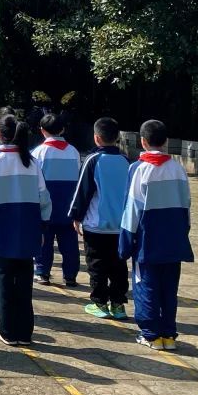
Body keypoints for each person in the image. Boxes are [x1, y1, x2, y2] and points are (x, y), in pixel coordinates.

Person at [0, 116, 51, 347]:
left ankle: (8, 331)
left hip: (2, 231)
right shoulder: (32, 163)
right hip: (28, 230)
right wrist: (43, 226)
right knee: (25, 285)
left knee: (4, 283)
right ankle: (25, 333)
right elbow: (44, 199)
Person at [120, 119, 194, 351]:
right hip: (173, 240)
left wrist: (125, 243)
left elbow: (131, 210)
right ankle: (168, 335)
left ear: (142, 141)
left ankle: (151, 334)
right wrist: (182, 233)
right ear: (166, 141)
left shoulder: (140, 169)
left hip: (147, 241)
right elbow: (186, 205)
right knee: (169, 290)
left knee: (146, 287)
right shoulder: (178, 169)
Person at [69, 117, 130, 320]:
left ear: (96, 138)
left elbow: (82, 192)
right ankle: (118, 304)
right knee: (119, 266)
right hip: (120, 225)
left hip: (96, 225)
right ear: (117, 137)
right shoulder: (125, 161)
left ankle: (100, 303)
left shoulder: (93, 160)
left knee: (97, 265)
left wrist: (76, 216)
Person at [32, 114, 81, 286]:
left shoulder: (38, 152)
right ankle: (70, 275)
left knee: (44, 240)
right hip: (68, 204)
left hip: (46, 205)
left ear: (42, 130)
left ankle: (42, 272)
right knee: (70, 243)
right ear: (63, 129)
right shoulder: (73, 151)